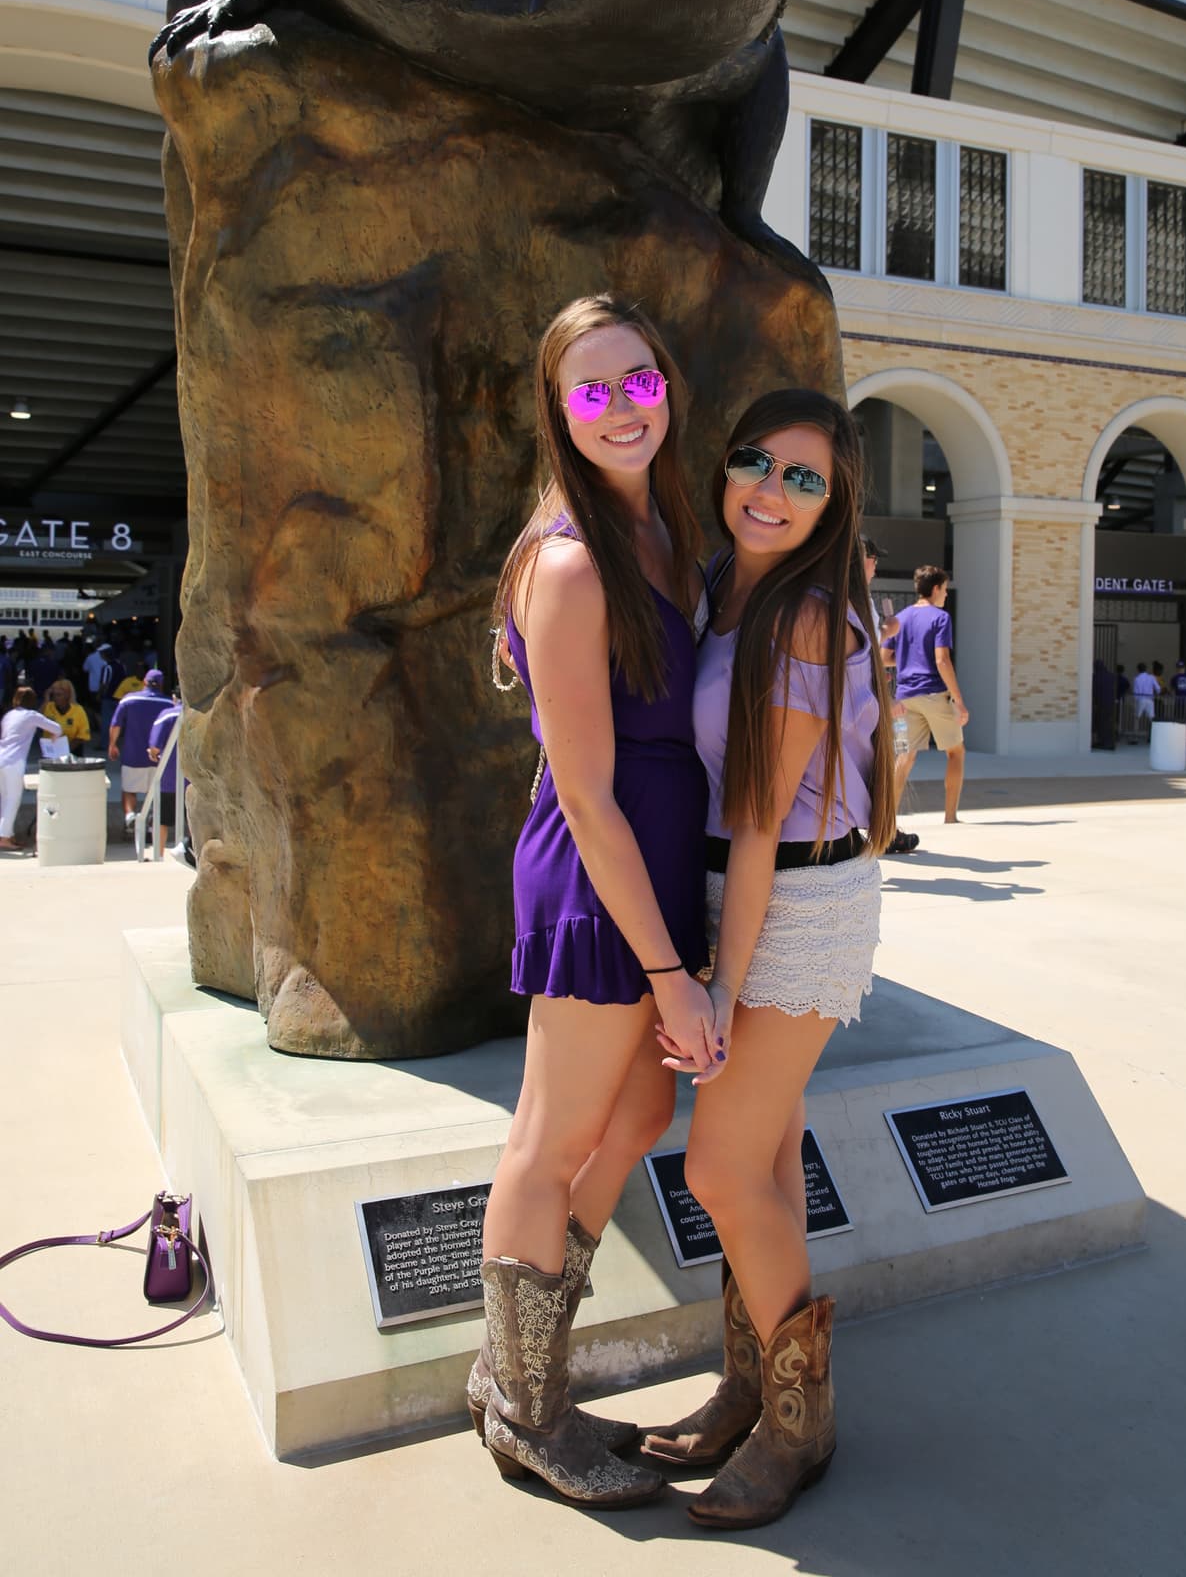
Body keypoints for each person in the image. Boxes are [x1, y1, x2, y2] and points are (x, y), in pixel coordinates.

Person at [470, 295, 712, 1510]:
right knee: (551, 1137)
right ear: (559, 413)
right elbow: (584, 787)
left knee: (635, 1119)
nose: (622, 408)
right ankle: (522, 1406)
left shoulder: (657, 531)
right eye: (591, 391)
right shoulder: (569, 562)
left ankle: (519, 1365)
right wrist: (670, 971)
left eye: (638, 381)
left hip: (654, 865)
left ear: (665, 383)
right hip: (596, 870)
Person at [642, 390, 895, 1530]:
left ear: (835, 501)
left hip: (793, 900)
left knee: (717, 1171)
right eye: (756, 462)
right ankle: (750, 1389)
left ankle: (801, 1422)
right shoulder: (715, 587)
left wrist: (720, 985)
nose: (772, 489)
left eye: (804, 477)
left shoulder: (802, 617)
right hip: (734, 886)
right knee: (766, 1164)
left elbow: (755, 824)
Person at [892, 566, 969, 824]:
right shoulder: (940, 617)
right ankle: (950, 817)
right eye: (945, 590)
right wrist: (958, 699)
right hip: (934, 694)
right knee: (955, 752)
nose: (946, 595)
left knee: (904, 756)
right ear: (935, 589)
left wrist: (908, 658)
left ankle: (888, 819)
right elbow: (942, 660)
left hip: (904, 697)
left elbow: (883, 658)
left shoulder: (900, 618)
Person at [863, 537, 918, 856]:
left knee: (882, 768)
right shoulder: (851, 597)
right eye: (872, 557)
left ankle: (886, 831)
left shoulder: (860, 599)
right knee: (882, 768)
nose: (875, 564)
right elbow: (862, 658)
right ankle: (885, 833)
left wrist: (887, 632)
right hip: (864, 704)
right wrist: (886, 700)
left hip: (868, 702)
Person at [0, 688, 65, 850]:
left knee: (4, 799)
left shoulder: (9, 715)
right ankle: (4, 838)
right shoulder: (31, 716)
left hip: (1, 757)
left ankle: (8, 834)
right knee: (13, 799)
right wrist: (54, 738)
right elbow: (57, 728)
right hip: (14, 762)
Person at [108, 668, 172, 827]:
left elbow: (116, 725)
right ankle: (151, 818)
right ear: (161, 685)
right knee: (157, 792)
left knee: (129, 789)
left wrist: (112, 745)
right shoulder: (169, 704)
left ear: (144, 682)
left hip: (132, 755)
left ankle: (130, 815)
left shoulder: (128, 700)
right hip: (158, 758)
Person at [145, 695, 184, 858]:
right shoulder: (202, 714)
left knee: (161, 819)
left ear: (175, 698)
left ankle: (158, 855)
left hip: (169, 778)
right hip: (197, 780)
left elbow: (154, 747)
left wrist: (153, 755)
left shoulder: (167, 715)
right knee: (196, 821)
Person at [42, 679, 91, 757]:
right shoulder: (48, 707)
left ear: (68, 695)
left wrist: (64, 750)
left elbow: (83, 735)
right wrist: (46, 699)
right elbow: (35, 719)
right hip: (50, 751)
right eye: (53, 695)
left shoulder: (78, 710)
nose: (55, 698)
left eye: (59, 695)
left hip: (73, 752)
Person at [1132, 661, 1159, 726]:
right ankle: (1152, 732)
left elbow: (1135, 692)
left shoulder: (1137, 679)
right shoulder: (1151, 677)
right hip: (1150, 699)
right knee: (1151, 717)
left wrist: (1136, 700)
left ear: (1138, 669)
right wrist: (1156, 694)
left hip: (1141, 699)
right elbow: (1158, 688)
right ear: (1146, 669)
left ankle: (1136, 731)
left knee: (1137, 717)